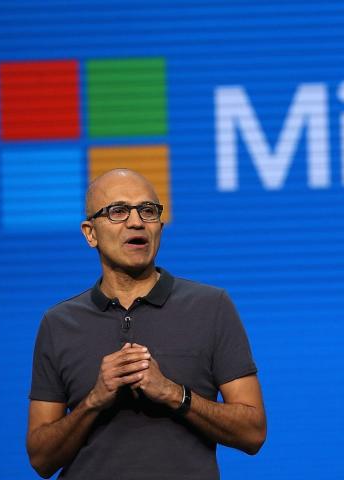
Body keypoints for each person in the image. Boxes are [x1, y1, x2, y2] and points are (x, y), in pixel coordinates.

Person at [26, 169, 265, 479]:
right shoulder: (58, 323)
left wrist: (173, 394)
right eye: (118, 211)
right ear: (90, 233)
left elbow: (253, 432)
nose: (136, 222)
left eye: (148, 211)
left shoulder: (211, 306)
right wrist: (94, 401)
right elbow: (41, 458)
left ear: (160, 228)